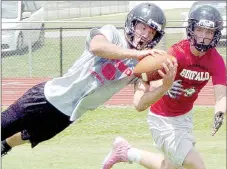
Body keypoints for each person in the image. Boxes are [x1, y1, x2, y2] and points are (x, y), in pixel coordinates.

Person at [1, 3, 173, 157]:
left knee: (28, 135)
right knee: (4, 124)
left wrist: (164, 87)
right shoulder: (113, 34)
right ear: (133, 23)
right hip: (49, 96)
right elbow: (97, 46)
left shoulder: (141, 65)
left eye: (151, 33)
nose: (145, 35)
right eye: (143, 28)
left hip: (67, 115)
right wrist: (136, 54)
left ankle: (4, 147)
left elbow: (139, 104)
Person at [101, 5, 226, 169]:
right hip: (163, 120)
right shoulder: (177, 53)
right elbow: (154, 77)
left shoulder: (216, 60)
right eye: (199, 29)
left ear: (216, 34)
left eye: (209, 31)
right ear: (191, 29)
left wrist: (220, 112)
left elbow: (221, 93)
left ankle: (126, 152)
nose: (203, 36)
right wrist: (164, 87)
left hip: (184, 119)